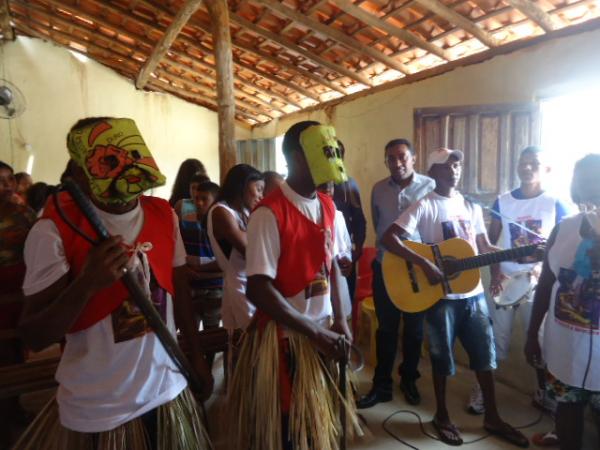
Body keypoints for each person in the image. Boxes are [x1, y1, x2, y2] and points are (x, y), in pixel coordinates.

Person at [15, 117, 213, 450]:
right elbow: (34, 335)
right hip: (99, 409)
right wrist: (86, 284)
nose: (126, 193)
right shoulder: (52, 231)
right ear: (79, 175)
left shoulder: (164, 215)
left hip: (167, 391)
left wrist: (195, 356)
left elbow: (180, 296)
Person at [382, 148, 529, 447]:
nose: (454, 170)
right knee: (441, 358)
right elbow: (389, 238)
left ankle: (493, 416)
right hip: (441, 298)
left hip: (473, 296)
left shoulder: (471, 206)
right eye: (447, 165)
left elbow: (483, 246)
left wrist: (518, 254)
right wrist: (425, 263)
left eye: (458, 164)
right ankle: (442, 415)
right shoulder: (425, 206)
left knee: (484, 357)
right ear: (434, 172)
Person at [228, 121, 361, 450]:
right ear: (297, 157)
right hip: (287, 341)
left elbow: (330, 264)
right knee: (291, 430)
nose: (333, 158)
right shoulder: (269, 213)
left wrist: (341, 319)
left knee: (321, 426)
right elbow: (259, 288)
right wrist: (315, 333)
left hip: (325, 331)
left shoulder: (327, 205)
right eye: (325, 151)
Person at [467, 147, 569, 416]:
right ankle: (482, 391)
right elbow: (490, 244)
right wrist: (496, 273)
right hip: (506, 281)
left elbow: (563, 246)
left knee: (539, 340)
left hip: (538, 283)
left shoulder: (556, 203)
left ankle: (543, 392)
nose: (526, 168)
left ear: (545, 168)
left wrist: (544, 270)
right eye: (522, 163)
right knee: (495, 340)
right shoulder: (503, 201)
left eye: (533, 163)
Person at [525, 154, 600, 450]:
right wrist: (532, 335)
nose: (591, 188)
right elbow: (545, 285)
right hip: (565, 352)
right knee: (567, 416)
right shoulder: (563, 229)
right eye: (583, 181)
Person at [357, 138, 435, 409]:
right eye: (390, 158)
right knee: (386, 329)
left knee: (414, 331)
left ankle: (409, 379)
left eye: (402, 156)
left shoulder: (430, 187)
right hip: (384, 267)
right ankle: (382, 385)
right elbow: (379, 227)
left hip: (418, 269)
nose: (397, 162)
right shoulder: (378, 189)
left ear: (413, 157)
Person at [0, 161, 37, 448]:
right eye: (0, 181)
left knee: (16, 351)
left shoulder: (24, 212)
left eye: (10, 179)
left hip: (20, 290)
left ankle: (13, 406)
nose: (7, 186)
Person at [207, 164, 264, 333]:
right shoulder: (221, 211)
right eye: (258, 189)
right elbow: (250, 250)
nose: (261, 196)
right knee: (251, 339)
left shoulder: (245, 212)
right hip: (240, 284)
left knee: (240, 342)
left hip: (250, 282)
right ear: (242, 185)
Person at [175, 177, 222, 339]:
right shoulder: (185, 223)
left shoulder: (222, 226)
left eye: (204, 199)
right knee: (189, 331)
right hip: (191, 286)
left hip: (214, 288)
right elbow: (178, 254)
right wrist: (187, 269)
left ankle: (208, 362)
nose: (199, 203)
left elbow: (227, 263)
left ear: (216, 201)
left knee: (212, 333)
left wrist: (201, 271)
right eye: (196, 198)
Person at [333, 140, 366, 302]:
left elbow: (360, 219)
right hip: (317, 255)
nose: (334, 157)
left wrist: (357, 250)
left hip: (344, 255)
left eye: (338, 153)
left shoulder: (348, 184)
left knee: (345, 300)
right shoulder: (312, 184)